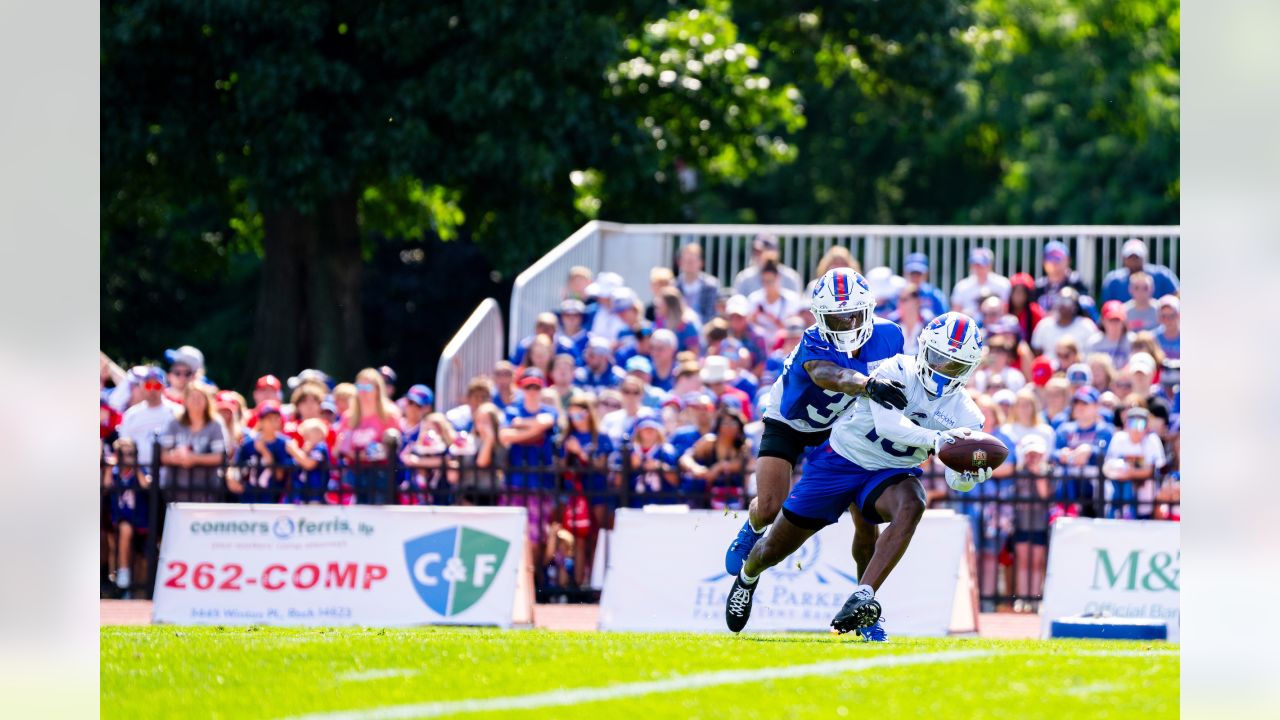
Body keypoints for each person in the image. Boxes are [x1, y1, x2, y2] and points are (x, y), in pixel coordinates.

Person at [725, 312, 990, 640]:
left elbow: (955, 478)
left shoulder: (968, 414)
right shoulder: (894, 368)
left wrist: (968, 474)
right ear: (923, 348)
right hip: (840, 461)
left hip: (890, 471)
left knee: (913, 503)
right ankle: (748, 576)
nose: (942, 370)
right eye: (939, 358)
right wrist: (937, 440)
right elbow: (889, 426)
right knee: (774, 549)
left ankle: (863, 599)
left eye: (955, 366)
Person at [723, 268, 908, 576]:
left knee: (865, 521)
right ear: (820, 318)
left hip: (839, 426)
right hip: (790, 420)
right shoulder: (813, 341)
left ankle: (863, 600)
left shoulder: (889, 336)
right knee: (770, 507)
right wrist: (867, 385)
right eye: (838, 318)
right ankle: (752, 526)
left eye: (853, 315)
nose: (847, 325)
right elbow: (831, 375)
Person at [499, 370, 560, 554]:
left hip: (540, 483)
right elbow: (504, 436)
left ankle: (534, 578)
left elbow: (546, 421)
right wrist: (535, 430)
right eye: (528, 387)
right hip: (515, 481)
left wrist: (520, 425)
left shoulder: (549, 411)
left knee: (536, 537)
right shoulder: (512, 411)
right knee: (511, 533)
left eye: (536, 387)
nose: (532, 391)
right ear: (521, 388)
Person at [561, 394, 614, 586]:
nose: (576, 420)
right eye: (572, 416)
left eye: (580, 415)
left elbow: (602, 465)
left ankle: (596, 583)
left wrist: (580, 452)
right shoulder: (567, 437)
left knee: (596, 537)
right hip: (576, 494)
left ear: (589, 414)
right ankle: (579, 585)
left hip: (598, 491)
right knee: (579, 540)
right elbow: (561, 466)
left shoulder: (601, 437)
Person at [158, 382, 229, 502]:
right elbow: (162, 454)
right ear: (184, 400)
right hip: (174, 489)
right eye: (192, 397)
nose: (196, 401)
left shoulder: (215, 424)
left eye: (200, 397)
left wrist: (194, 458)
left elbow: (221, 456)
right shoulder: (173, 423)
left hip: (206, 490)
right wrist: (176, 457)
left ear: (207, 401)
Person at [102, 437, 152, 597]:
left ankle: (128, 582)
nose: (126, 457)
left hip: (139, 519)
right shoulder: (114, 472)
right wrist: (109, 468)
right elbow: (106, 487)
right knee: (120, 537)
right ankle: (121, 577)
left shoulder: (140, 471)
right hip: (118, 518)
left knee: (137, 553)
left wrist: (136, 467)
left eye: (130, 453)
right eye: (121, 454)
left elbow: (146, 485)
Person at [1052, 387, 1114, 514]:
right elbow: (1052, 453)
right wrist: (1061, 455)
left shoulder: (1105, 430)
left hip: (1094, 489)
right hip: (1067, 486)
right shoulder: (1064, 429)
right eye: (1077, 403)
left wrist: (1090, 451)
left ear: (1096, 406)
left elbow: (1108, 454)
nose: (1079, 407)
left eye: (1085, 403)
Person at [679, 405, 753, 510]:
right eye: (725, 423)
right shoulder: (709, 442)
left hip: (735, 501)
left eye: (733, 423)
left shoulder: (744, 446)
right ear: (719, 425)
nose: (729, 427)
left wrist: (719, 467)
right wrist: (695, 468)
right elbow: (685, 458)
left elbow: (741, 464)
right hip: (706, 499)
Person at [1011, 434, 1053, 611]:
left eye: (1036, 454)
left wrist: (1038, 474)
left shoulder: (1048, 472)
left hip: (1039, 524)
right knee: (1022, 560)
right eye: (1030, 454)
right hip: (1021, 522)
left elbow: (1046, 495)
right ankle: (1022, 598)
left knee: (1037, 561)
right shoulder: (1019, 472)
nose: (1033, 458)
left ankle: (1035, 598)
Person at [1103, 405, 1166, 519]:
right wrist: (1123, 472)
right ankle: (1118, 514)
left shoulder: (1152, 440)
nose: (1136, 429)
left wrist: (1130, 473)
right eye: (1132, 423)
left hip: (1145, 498)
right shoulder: (1118, 438)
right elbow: (1107, 466)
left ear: (1147, 427)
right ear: (1126, 424)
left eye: (1140, 424)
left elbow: (1153, 469)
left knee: (1129, 485)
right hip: (1118, 489)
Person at [118, 367, 180, 467]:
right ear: (142, 387)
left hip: (169, 471)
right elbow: (124, 445)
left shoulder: (177, 411)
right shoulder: (131, 414)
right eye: (148, 385)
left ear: (163, 387)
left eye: (156, 386)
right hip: (138, 472)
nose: (152, 390)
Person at [232, 402, 293, 503]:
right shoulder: (248, 443)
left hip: (273, 497)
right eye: (268, 419)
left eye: (276, 418)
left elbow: (280, 475)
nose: (273, 422)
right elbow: (236, 466)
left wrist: (265, 452)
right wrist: (233, 479)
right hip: (249, 495)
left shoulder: (284, 443)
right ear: (260, 421)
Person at [618, 417, 679, 506]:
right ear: (638, 431)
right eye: (645, 428)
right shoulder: (629, 451)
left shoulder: (666, 451)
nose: (648, 431)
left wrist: (659, 466)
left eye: (652, 429)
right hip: (635, 502)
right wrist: (629, 466)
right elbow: (617, 483)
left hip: (662, 502)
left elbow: (676, 481)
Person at [1101, 238, 1180, 303]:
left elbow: (1177, 295)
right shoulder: (1113, 280)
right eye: (1130, 257)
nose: (1133, 260)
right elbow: (1108, 306)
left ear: (1144, 257)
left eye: (1137, 257)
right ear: (1123, 258)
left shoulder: (1162, 274)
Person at [747, 258, 804, 338]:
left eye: (770, 281)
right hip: (760, 345)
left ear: (778, 278)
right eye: (764, 282)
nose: (767, 286)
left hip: (784, 344)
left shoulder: (792, 299)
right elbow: (747, 327)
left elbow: (793, 329)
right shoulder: (754, 299)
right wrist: (753, 317)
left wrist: (772, 318)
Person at [1030, 288, 1098, 355]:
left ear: (1075, 306)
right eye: (1059, 300)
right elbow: (1036, 353)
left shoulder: (1086, 326)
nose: (1062, 304)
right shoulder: (1044, 325)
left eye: (1066, 301)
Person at [733, 234, 802, 295]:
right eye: (755, 251)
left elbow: (796, 306)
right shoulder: (744, 278)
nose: (756, 255)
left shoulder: (791, 278)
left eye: (761, 251)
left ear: (775, 252)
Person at [950, 247, 1010, 316]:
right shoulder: (961, 286)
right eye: (974, 264)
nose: (977, 267)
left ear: (989, 265)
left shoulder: (1002, 284)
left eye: (980, 264)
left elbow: (1005, 310)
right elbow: (956, 311)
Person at [1032, 241, 1090, 311]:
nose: (1054, 263)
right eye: (1050, 258)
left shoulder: (1075, 282)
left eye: (1058, 258)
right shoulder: (1039, 286)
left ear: (1068, 261)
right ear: (1044, 262)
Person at [674, 243, 720, 323]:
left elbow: (711, 314)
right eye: (687, 261)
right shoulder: (673, 286)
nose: (689, 264)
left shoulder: (711, 286)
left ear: (701, 263)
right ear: (680, 263)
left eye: (692, 261)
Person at [1086, 301, 1135, 367]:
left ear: (1124, 321)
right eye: (1111, 320)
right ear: (1103, 321)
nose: (1114, 324)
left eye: (1117, 320)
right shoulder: (1094, 343)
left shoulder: (1132, 341)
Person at [652, 286, 702, 352]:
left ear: (670, 305)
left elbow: (694, 352)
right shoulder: (660, 322)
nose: (658, 307)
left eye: (661, 303)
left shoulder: (687, 325)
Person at [900, 252, 948, 317]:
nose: (915, 277)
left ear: (926, 275)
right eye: (912, 274)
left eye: (918, 274)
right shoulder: (898, 293)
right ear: (905, 273)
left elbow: (944, 316)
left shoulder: (934, 294)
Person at [889, 284, 929, 355]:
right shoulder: (892, 323)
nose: (899, 303)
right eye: (899, 299)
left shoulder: (928, 323)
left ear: (916, 301)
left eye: (904, 299)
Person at [1007, 273, 1045, 343]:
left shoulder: (1035, 312)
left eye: (1022, 291)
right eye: (1015, 291)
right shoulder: (1005, 310)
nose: (1018, 295)